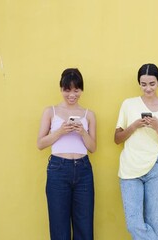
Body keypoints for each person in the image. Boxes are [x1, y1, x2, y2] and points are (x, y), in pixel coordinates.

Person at [114, 63, 158, 240]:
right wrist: (135, 126)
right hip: (130, 167)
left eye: (152, 83)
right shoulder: (128, 104)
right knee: (133, 223)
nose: (148, 88)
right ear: (139, 83)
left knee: (156, 223)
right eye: (143, 84)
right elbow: (117, 138)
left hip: (157, 166)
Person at [37, 68, 97, 240]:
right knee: (59, 226)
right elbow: (40, 144)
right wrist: (60, 132)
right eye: (67, 90)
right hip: (58, 169)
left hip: (84, 170)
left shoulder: (89, 115)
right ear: (61, 89)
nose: (72, 94)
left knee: (84, 225)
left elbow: (93, 147)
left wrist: (82, 133)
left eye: (76, 90)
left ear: (81, 90)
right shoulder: (51, 112)